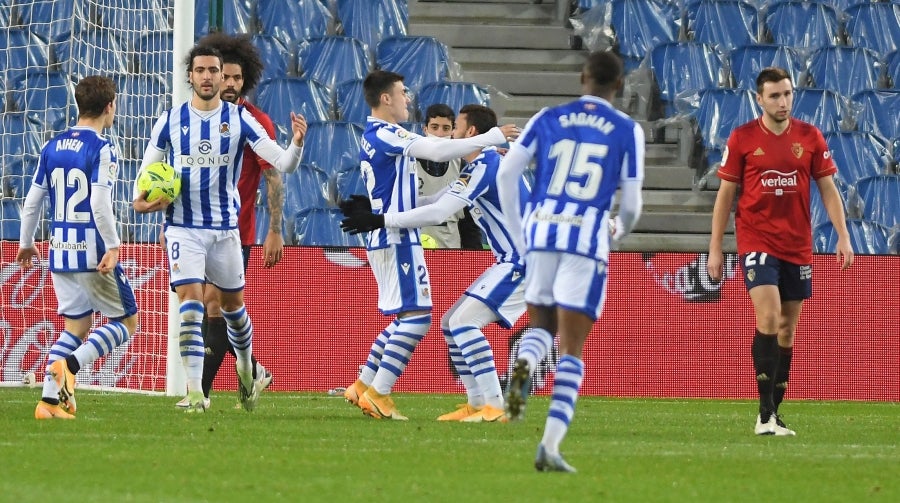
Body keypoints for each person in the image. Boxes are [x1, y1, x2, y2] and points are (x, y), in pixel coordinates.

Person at [134, 44, 307, 413]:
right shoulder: (169, 121)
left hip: (227, 231)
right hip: (183, 227)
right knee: (192, 305)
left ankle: (247, 367)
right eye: (203, 70)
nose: (210, 76)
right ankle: (196, 393)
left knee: (233, 309)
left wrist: (296, 144)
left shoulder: (242, 119)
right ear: (191, 76)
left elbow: (283, 165)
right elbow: (144, 180)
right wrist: (144, 201)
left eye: (215, 70)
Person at [339, 70, 519, 420]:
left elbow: (433, 198)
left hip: (387, 234)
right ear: (386, 98)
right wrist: (492, 136)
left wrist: (380, 214)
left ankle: (363, 384)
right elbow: (436, 153)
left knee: (409, 317)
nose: (408, 98)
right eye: (403, 92)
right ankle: (379, 393)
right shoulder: (387, 133)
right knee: (419, 318)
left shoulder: (377, 134)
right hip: (397, 237)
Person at [496, 51, 645, 472]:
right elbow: (631, 206)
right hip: (586, 239)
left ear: (582, 77)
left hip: (542, 232)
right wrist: (617, 229)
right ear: (618, 85)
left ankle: (522, 368)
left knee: (540, 325)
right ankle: (550, 445)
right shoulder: (626, 129)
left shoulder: (547, 116)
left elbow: (507, 174)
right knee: (572, 347)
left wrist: (521, 232)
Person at [707, 67, 854, 436]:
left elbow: (828, 188)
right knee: (769, 317)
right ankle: (764, 414)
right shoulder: (742, 139)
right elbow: (725, 196)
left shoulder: (809, 136)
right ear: (759, 99)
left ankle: (773, 414)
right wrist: (714, 249)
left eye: (787, 94)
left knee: (788, 330)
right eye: (774, 96)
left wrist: (843, 235)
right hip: (756, 240)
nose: (783, 101)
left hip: (798, 245)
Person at [171, 32, 284, 410]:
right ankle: (251, 369)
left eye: (237, 78)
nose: (230, 84)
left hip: (237, 229)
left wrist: (275, 230)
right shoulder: (186, 119)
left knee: (214, 305)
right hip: (191, 226)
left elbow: (273, 175)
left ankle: (199, 390)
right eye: (226, 77)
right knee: (201, 304)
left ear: (243, 80)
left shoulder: (255, 121)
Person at [16, 75, 139, 420]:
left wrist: (26, 243)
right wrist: (113, 246)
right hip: (92, 253)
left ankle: (48, 403)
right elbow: (99, 203)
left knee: (76, 328)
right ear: (110, 106)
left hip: (59, 252)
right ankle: (70, 367)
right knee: (128, 322)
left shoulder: (51, 146)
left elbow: (32, 202)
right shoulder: (102, 147)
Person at [415, 103, 482, 249]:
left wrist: (474, 254)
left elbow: (469, 221)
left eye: (445, 128)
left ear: (453, 131)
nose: (439, 134)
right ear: (424, 129)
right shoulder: (408, 163)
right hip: (414, 244)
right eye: (434, 127)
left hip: (451, 250)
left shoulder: (462, 165)